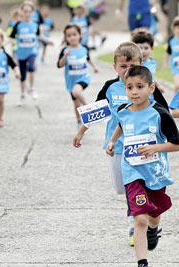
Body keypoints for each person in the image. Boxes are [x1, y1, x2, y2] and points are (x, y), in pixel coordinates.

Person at [73, 42, 168, 247]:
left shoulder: (148, 86)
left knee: (136, 186)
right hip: (117, 148)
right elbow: (96, 111)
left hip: (144, 149)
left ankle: (137, 225)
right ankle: (143, 213)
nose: (127, 71)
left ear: (141, 65)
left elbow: (164, 112)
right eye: (123, 66)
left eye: (132, 65)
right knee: (121, 188)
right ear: (115, 67)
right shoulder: (110, 87)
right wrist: (80, 132)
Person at [106, 66, 179, 267]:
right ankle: (142, 262)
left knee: (153, 216)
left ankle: (154, 229)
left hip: (155, 174)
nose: (134, 92)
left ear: (151, 87)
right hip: (132, 173)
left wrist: (155, 147)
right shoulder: (123, 111)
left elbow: (176, 144)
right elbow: (121, 124)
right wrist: (112, 141)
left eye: (139, 86)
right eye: (129, 87)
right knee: (139, 220)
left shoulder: (160, 113)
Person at [9, 1, 53, 105]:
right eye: (25, 11)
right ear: (22, 12)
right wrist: (6, 43)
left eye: (29, 11)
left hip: (32, 51)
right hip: (21, 53)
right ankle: (23, 94)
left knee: (32, 66)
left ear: (32, 12)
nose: (27, 14)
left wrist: (48, 41)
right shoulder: (18, 25)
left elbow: (39, 36)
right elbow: (11, 37)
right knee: (23, 75)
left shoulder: (35, 25)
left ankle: (32, 88)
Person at [58, 23, 98, 127]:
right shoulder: (65, 50)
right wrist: (65, 56)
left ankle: (89, 108)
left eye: (74, 34)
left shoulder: (84, 48)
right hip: (71, 80)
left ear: (80, 35)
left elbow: (88, 58)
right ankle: (79, 121)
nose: (72, 37)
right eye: (69, 36)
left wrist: (94, 67)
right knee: (76, 103)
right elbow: (59, 65)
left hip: (84, 77)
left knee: (76, 92)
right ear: (66, 38)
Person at [162, 16, 179, 93]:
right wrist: (165, 64)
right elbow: (167, 53)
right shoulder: (171, 40)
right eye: (177, 28)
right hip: (175, 66)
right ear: (174, 29)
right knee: (177, 85)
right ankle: (175, 102)